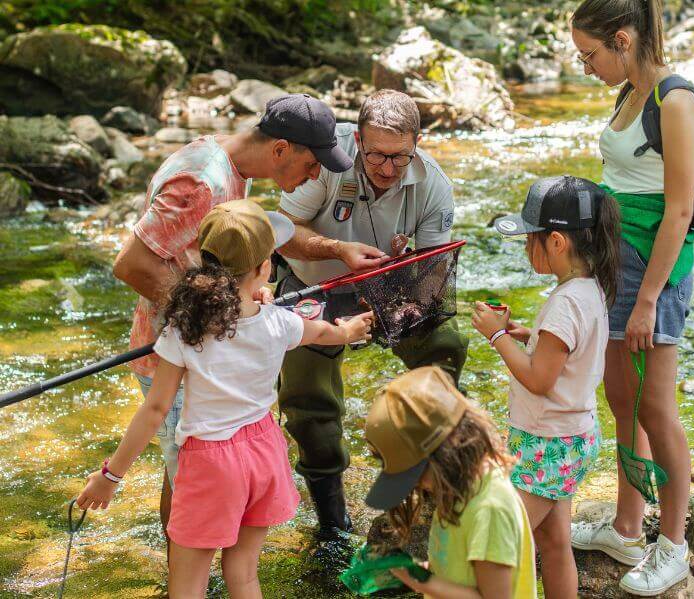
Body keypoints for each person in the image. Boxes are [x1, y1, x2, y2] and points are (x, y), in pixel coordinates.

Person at [77, 200, 374, 597]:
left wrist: (110, 477)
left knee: (187, 583)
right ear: (265, 268)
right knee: (244, 572)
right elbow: (322, 332)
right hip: (264, 452)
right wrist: (349, 330)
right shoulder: (280, 322)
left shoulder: (186, 331)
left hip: (211, 463)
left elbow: (155, 409)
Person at [112, 94, 352, 546]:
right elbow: (132, 264)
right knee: (189, 486)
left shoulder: (223, 159)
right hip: (180, 354)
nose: (316, 173)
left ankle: (188, 579)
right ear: (280, 149)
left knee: (183, 477)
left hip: (198, 352)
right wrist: (214, 313)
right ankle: (186, 580)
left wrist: (243, 294)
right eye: (313, 162)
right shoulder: (203, 183)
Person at [275, 89, 468, 546]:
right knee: (307, 397)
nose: (386, 169)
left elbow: (427, 271)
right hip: (315, 285)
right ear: (358, 139)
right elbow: (281, 233)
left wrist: (401, 305)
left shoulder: (435, 186)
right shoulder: (322, 161)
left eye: (399, 158)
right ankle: (332, 521)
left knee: (445, 346)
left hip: (394, 289)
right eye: (376, 154)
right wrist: (339, 250)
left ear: (417, 143)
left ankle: (433, 482)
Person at [569, 0, 694, 594]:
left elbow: (680, 210)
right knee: (621, 396)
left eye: (589, 54)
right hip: (614, 260)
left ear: (622, 39)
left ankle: (673, 546)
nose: (586, 66)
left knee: (656, 409)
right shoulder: (627, 94)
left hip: (655, 271)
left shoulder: (675, 102)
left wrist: (649, 299)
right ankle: (627, 527)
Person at [472, 176, 620, 597]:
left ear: (556, 242)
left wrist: (496, 336)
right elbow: (563, 355)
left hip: (547, 443)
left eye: (529, 239)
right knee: (554, 544)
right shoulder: (588, 289)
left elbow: (539, 380)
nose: (525, 247)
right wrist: (529, 337)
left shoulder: (564, 304)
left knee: (497, 542)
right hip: (573, 435)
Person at [363, 366, 536, 599]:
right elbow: (456, 572)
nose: (416, 486)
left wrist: (418, 580)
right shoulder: (460, 487)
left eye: (413, 476)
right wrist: (409, 571)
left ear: (443, 455)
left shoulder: (490, 509)